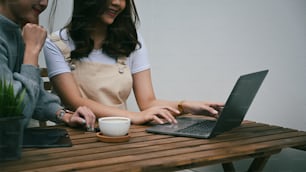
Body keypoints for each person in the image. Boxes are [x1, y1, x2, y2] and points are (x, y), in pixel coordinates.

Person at [44, 0, 223, 125]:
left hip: (123, 135)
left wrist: (186, 106)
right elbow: (75, 102)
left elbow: (148, 102)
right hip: (79, 138)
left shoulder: (130, 41)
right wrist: (135, 117)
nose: (118, 3)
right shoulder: (56, 44)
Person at [0, 0, 96, 130]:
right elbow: (14, 117)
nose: (44, 3)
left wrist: (63, 115)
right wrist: (32, 51)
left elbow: (35, 93)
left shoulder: (15, 31)